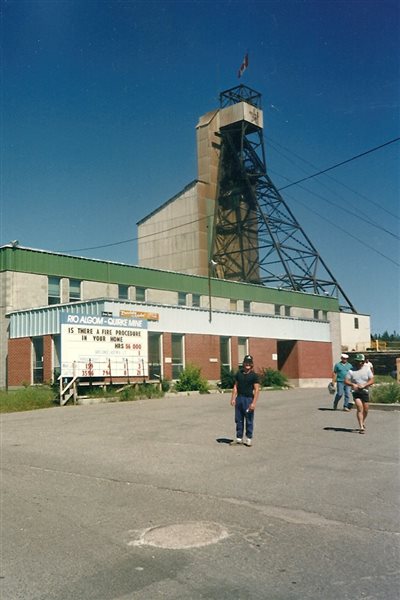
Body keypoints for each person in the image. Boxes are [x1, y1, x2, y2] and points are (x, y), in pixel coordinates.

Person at [230, 355, 260, 446]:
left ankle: (248, 438)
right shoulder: (239, 374)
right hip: (239, 399)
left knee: (249, 420)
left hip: (248, 399)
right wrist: (233, 398)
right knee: (238, 419)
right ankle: (239, 438)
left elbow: (257, 389)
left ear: (251, 364)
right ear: (243, 363)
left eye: (249, 363)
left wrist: (253, 403)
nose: (248, 364)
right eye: (246, 362)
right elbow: (235, 386)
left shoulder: (254, 376)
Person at [344, 353, 374, 434]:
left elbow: (372, 380)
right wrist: (352, 384)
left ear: (363, 362)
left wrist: (365, 384)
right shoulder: (351, 370)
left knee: (366, 409)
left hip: (365, 391)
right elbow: (346, 381)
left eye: (360, 361)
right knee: (359, 408)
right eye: (357, 361)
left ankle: (362, 421)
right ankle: (361, 426)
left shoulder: (367, 369)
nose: (359, 363)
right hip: (356, 391)